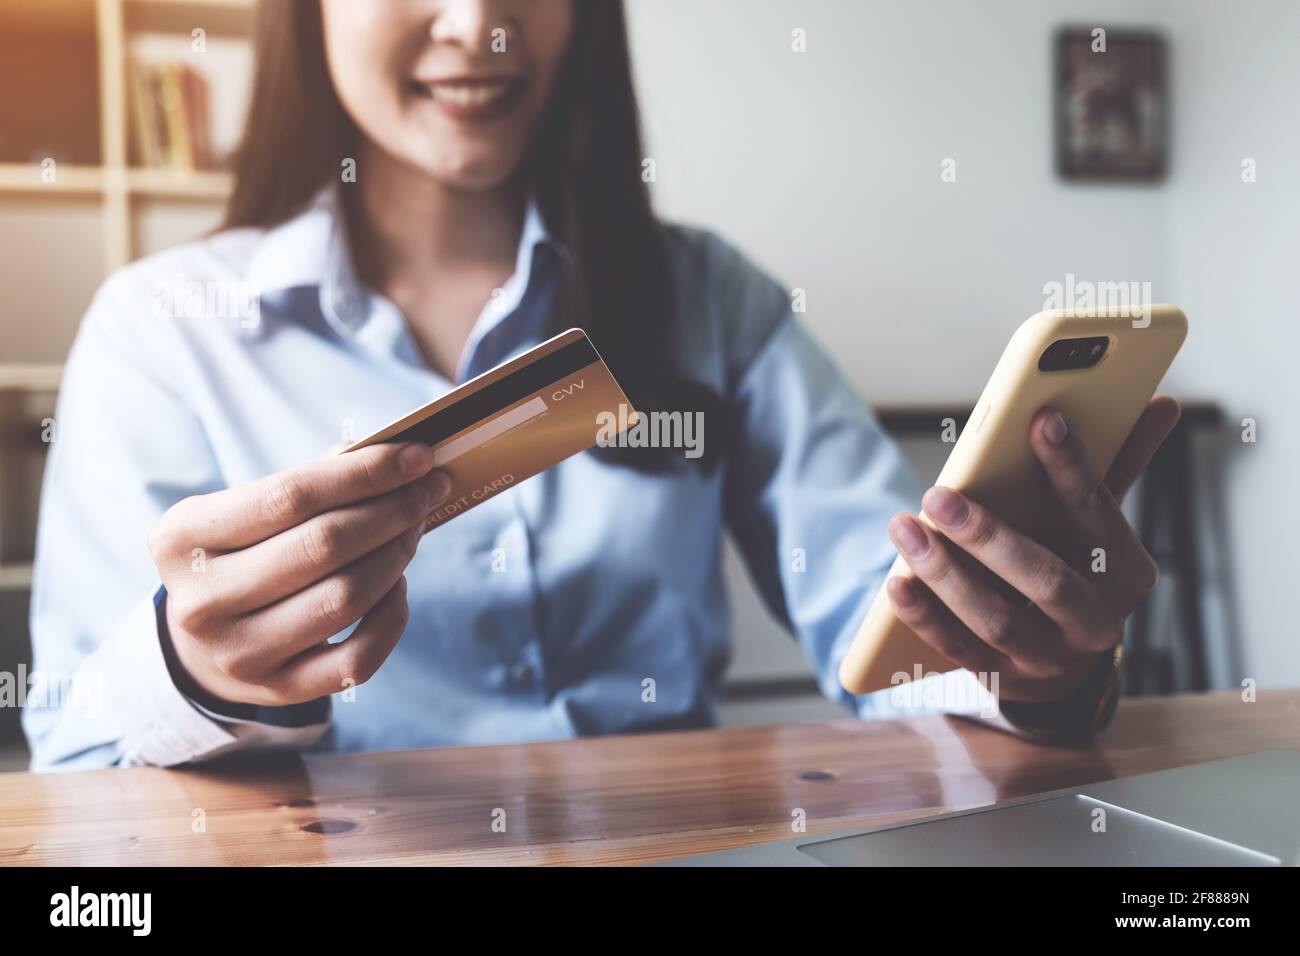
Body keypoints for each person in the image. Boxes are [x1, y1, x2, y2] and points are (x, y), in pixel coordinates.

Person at [24, 0, 1178, 770]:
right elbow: (73, 766)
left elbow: (886, 625)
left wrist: (1036, 669)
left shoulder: (707, 297)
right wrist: (194, 672)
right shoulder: (162, 330)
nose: (477, 23)